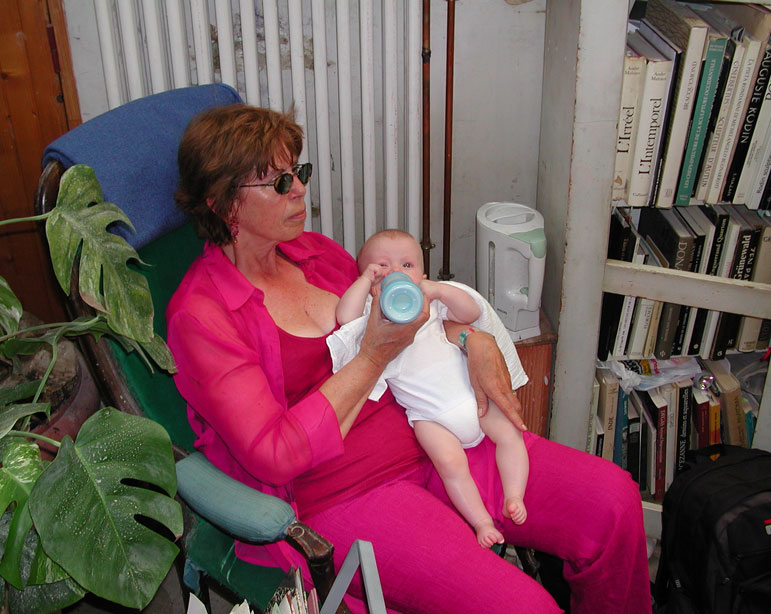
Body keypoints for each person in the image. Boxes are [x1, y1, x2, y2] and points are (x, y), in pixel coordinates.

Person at [166, 103, 652, 614]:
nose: (300, 190)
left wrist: (472, 339)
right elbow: (275, 453)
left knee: (614, 503)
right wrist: (373, 357)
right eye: (278, 182)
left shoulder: (317, 253)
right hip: (349, 493)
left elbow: (415, 314)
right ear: (223, 204)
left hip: (436, 432)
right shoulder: (203, 317)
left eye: (299, 172)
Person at [332, 229, 528, 548]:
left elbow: (471, 313)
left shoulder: (431, 304)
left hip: (472, 397)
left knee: (510, 435)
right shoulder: (371, 313)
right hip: (429, 417)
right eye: (382, 266)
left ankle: (515, 495)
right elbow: (344, 316)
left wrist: (438, 290)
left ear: (422, 275)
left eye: (407, 265)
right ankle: (481, 522)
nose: (395, 272)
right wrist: (366, 282)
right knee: (451, 465)